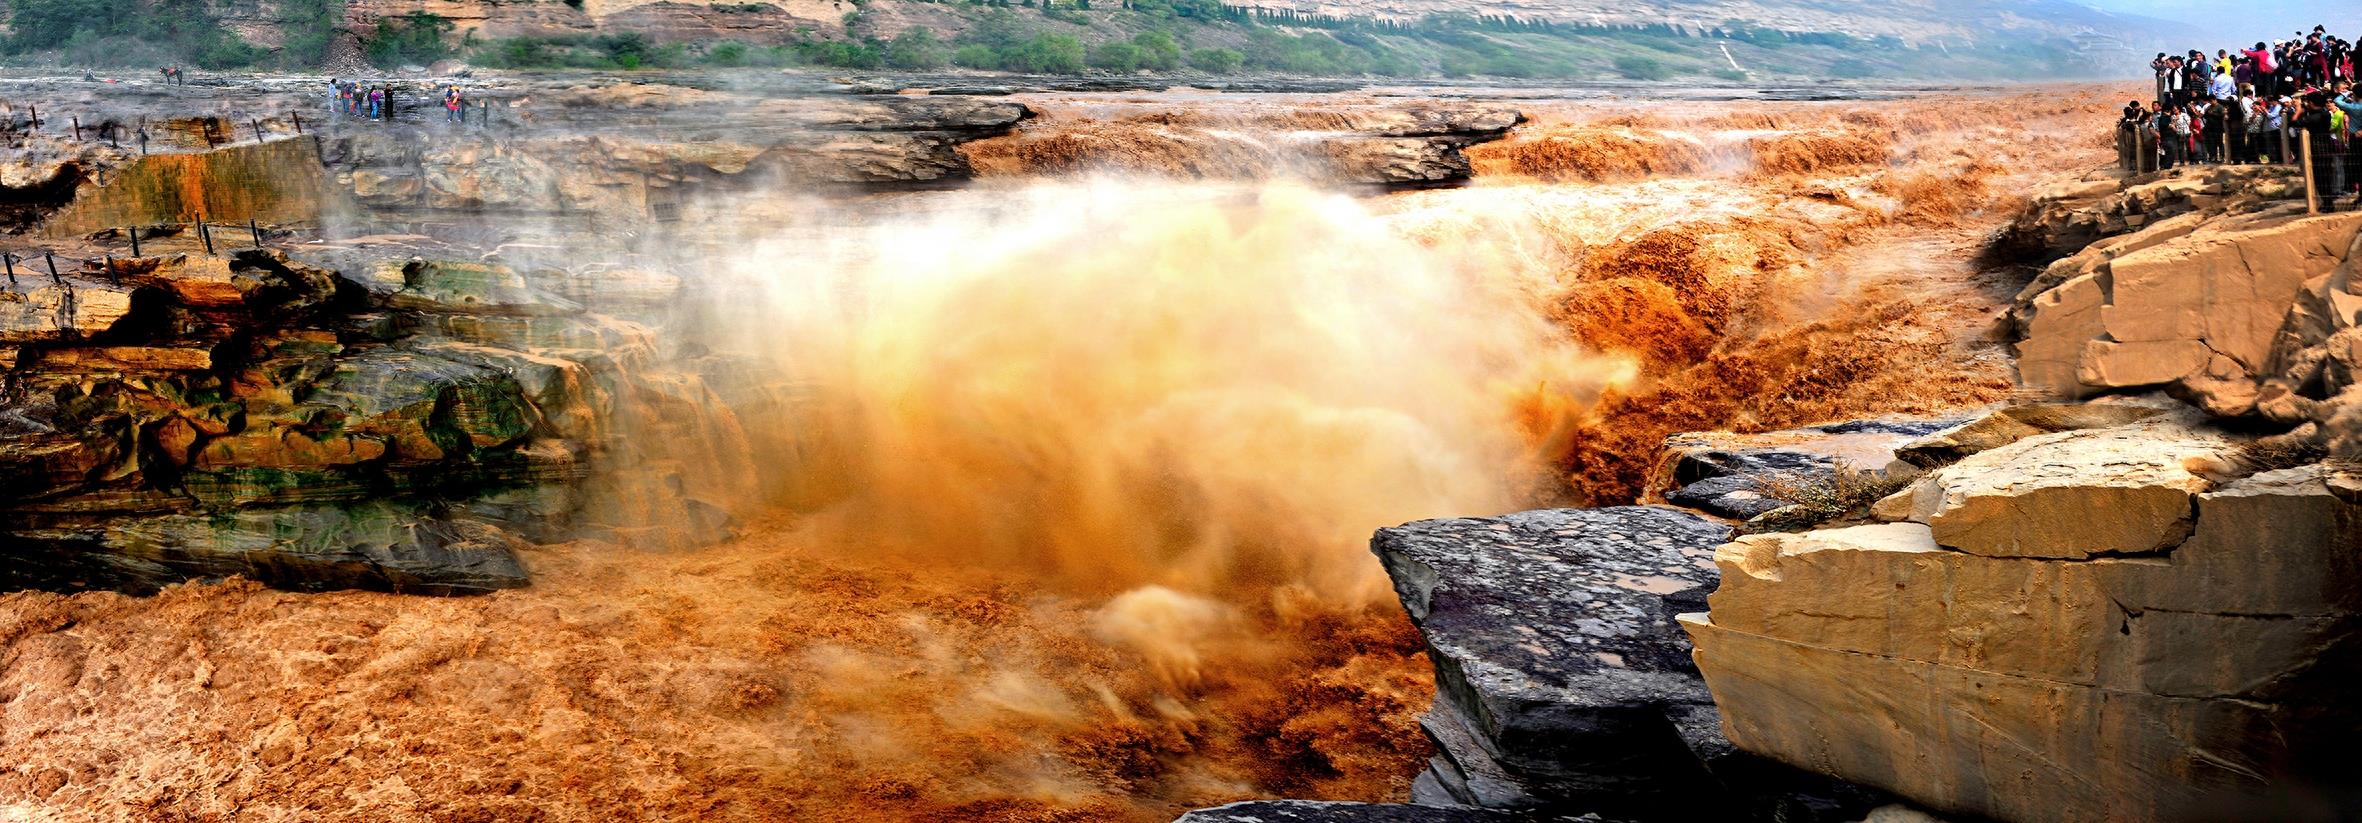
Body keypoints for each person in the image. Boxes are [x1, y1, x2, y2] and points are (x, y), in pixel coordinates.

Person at [2294, 93, 2340, 211]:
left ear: (2312, 103)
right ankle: (2327, 203)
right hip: (2325, 147)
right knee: (2324, 177)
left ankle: (2328, 204)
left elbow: (2294, 122)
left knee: (2321, 178)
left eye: (2308, 102)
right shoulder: (2324, 113)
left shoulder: (2316, 117)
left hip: (2318, 149)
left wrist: (2298, 110)